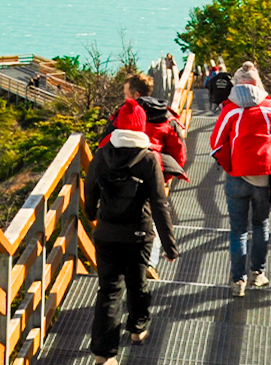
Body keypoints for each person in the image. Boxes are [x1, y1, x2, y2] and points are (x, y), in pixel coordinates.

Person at [84, 102, 178, 365]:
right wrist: (170, 247)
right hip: (139, 234)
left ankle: (104, 354)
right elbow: (160, 205)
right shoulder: (148, 159)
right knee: (137, 284)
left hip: (106, 234)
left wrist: (93, 215)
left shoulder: (101, 155)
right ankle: (137, 329)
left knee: (109, 290)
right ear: (140, 127)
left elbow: (89, 190)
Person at [209, 64, 271, 297]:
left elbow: (215, 141)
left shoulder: (230, 110)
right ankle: (258, 273)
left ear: (236, 84)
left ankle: (238, 281)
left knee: (238, 230)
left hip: (237, 174)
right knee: (260, 224)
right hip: (264, 176)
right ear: (258, 83)